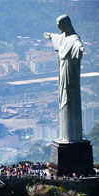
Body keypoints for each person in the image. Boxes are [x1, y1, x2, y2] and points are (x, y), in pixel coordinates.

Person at [44, 15, 84, 143]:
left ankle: (72, 137)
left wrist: (79, 48)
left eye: (60, 25)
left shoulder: (73, 38)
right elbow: (59, 38)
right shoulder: (63, 37)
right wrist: (51, 35)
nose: (59, 28)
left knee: (69, 98)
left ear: (66, 24)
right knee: (63, 98)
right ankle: (65, 136)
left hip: (70, 73)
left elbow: (77, 44)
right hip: (62, 71)